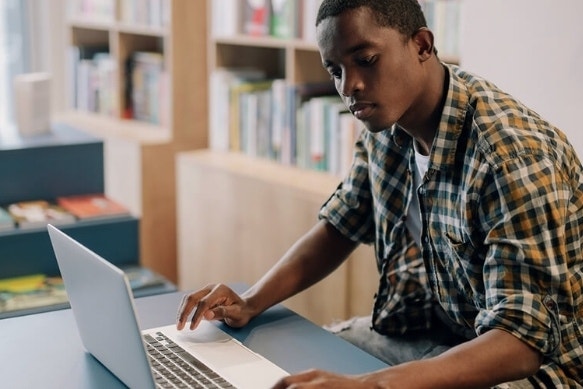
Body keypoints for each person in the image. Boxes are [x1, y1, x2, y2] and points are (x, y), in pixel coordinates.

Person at [177, 0, 583, 387]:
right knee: (281, 370)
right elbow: (342, 223)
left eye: (366, 60)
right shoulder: (386, 118)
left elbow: (522, 343)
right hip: (441, 333)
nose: (349, 85)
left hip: (538, 369)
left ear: (422, 45)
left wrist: (372, 385)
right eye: (334, 69)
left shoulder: (511, 158)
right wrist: (250, 301)